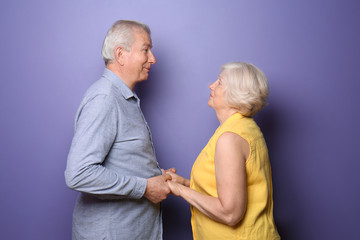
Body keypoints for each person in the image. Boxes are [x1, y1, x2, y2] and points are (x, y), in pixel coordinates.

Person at [65, 20, 174, 240]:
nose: (153, 59)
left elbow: (121, 160)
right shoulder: (105, 99)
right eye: (146, 50)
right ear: (120, 54)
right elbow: (78, 174)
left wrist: (153, 176)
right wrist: (144, 187)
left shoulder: (122, 98)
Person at [166, 62, 280, 239]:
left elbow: (230, 213)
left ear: (236, 94)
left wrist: (179, 191)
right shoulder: (245, 128)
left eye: (219, 82)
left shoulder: (229, 139)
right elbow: (229, 188)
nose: (212, 85)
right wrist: (185, 183)